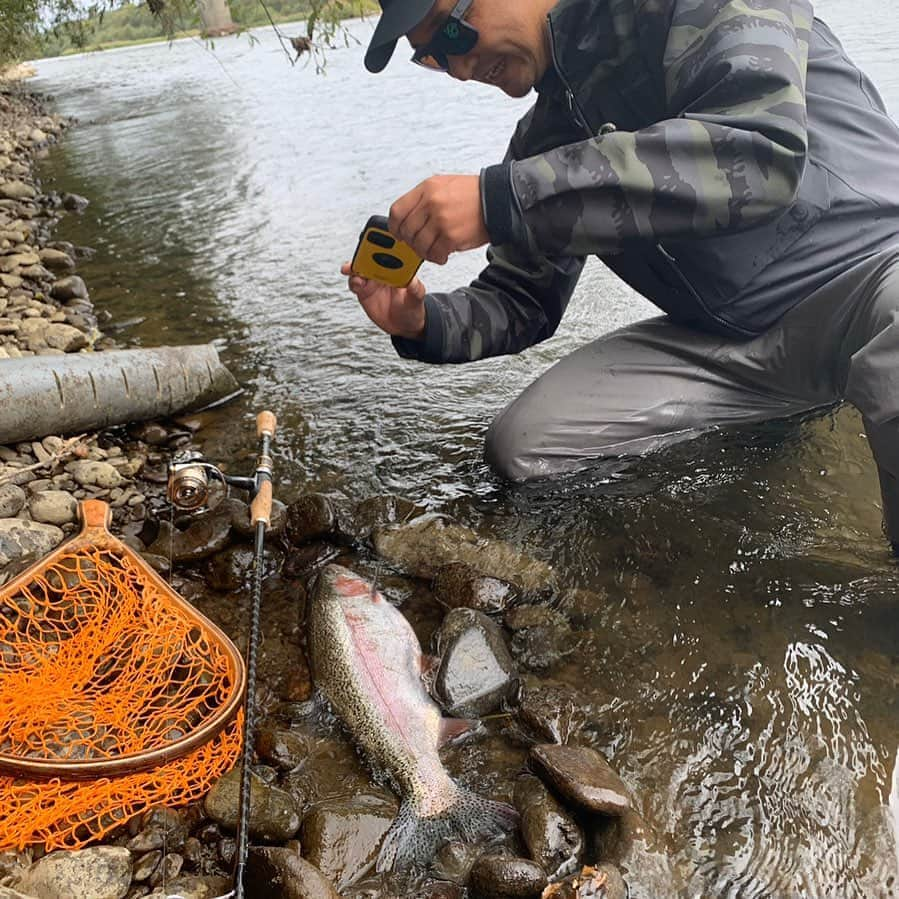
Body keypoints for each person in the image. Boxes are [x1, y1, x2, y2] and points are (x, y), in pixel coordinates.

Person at [341, 0, 899, 553]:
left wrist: (500, 201)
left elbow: (758, 157)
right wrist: (420, 320)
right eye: (433, 57)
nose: (459, 69)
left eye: (452, 33)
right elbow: (520, 299)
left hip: (872, 272)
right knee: (523, 447)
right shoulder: (546, 137)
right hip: (729, 344)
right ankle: (782, 436)